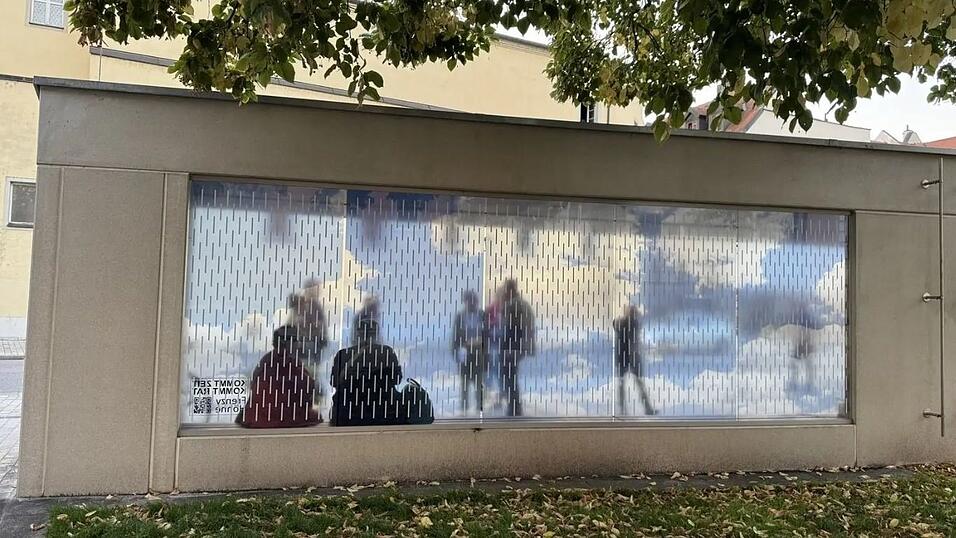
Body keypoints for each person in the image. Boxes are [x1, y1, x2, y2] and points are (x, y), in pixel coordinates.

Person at [237, 325, 322, 428]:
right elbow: (307, 388)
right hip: (278, 417)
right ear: (288, 343)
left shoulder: (267, 359)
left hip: (255, 416)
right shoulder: (288, 362)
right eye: (296, 341)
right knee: (315, 416)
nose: (299, 345)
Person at [330, 318, 404, 426]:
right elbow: (397, 379)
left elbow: (334, 382)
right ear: (376, 335)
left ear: (356, 334)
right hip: (384, 413)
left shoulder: (343, 354)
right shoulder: (386, 352)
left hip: (347, 414)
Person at [498, 279, 535, 417]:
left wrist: (508, 349)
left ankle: (514, 408)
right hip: (518, 347)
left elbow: (510, 329)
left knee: (509, 376)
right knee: (511, 376)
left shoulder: (512, 305)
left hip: (512, 347)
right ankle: (514, 407)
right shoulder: (523, 304)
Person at [613, 305, 656, 416]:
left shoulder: (622, 324)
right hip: (630, 358)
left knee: (623, 385)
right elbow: (633, 342)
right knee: (637, 384)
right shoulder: (633, 324)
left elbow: (615, 325)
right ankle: (647, 409)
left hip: (623, 358)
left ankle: (624, 410)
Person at [452, 290, 487, 414]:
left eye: (473, 301)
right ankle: (464, 410)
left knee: (479, 383)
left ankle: (479, 409)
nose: (471, 303)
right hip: (465, 353)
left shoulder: (482, 315)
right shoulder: (460, 317)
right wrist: (456, 353)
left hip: (479, 354)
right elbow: (455, 337)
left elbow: (488, 335)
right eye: (468, 301)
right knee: (465, 384)